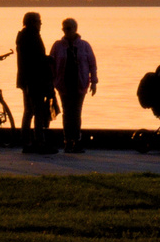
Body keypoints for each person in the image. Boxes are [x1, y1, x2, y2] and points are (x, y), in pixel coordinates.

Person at [50, 17, 98, 153]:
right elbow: (51, 64)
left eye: (68, 28)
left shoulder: (84, 45)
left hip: (80, 84)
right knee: (67, 113)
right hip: (63, 85)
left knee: (76, 113)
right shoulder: (58, 45)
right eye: (64, 28)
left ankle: (76, 140)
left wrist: (93, 82)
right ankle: (67, 141)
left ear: (75, 29)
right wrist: (53, 81)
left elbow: (92, 65)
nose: (66, 31)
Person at [14, 12, 57, 153]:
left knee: (28, 111)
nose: (41, 24)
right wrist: (49, 59)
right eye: (39, 21)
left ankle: (27, 142)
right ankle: (39, 143)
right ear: (32, 22)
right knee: (37, 111)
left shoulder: (23, 36)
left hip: (26, 79)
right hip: (34, 79)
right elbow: (35, 59)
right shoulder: (31, 36)